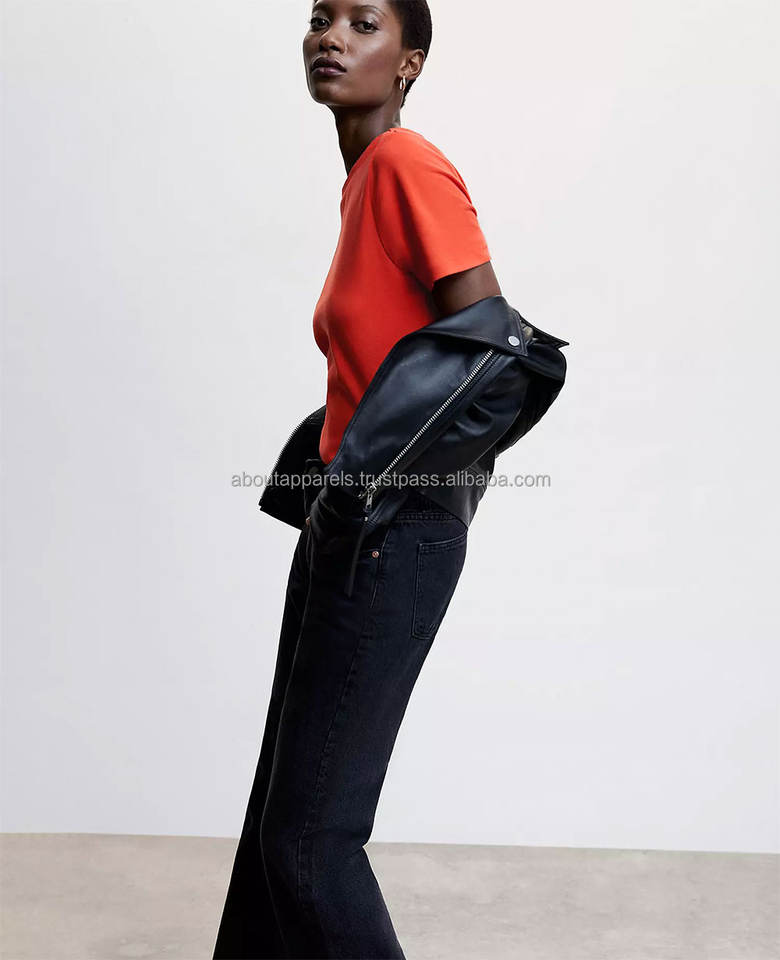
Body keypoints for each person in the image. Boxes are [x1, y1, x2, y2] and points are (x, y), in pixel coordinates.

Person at [213, 2, 504, 956]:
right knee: (276, 822)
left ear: (409, 61)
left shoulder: (404, 165)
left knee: (310, 845)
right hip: (342, 524)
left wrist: (392, 482)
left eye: (363, 23)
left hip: (390, 536)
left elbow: (494, 352)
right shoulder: (364, 177)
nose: (331, 36)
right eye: (320, 19)